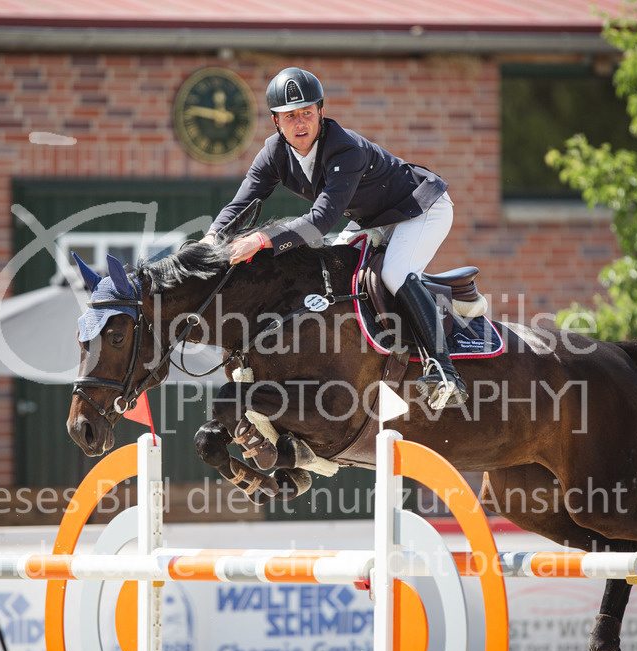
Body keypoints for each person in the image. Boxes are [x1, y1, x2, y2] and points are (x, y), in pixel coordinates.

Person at [201, 66, 468, 409]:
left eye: (307, 114)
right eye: (290, 116)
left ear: (321, 113)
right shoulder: (274, 153)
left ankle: (444, 371)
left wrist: (261, 240)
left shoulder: (344, 149)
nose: (300, 123)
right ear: (275, 122)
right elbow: (242, 203)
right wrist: (210, 239)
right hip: (373, 219)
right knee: (332, 277)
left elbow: (321, 221)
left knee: (393, 273)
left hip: (421, 208)